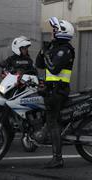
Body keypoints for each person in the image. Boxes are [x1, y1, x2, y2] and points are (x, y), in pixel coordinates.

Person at [36, 17, 75, 168]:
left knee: (53, 123)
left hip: (58, 92)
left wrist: (46, 54)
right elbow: (39, 64)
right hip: (50, 90)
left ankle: (57, 158)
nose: (52, 32)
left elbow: (54, 68)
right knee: (50, 120)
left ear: (61, 32)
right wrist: (42, 51)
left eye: (55, 30)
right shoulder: (56, 48)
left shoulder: (65, 50)